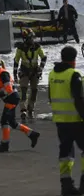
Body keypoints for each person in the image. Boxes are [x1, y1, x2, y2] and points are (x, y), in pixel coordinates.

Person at [48, 46, 84, 196]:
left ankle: (66, 185)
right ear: (74, 60)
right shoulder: (73, 75)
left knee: (66, 153)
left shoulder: (52, 74)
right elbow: (79, 99)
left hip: (61, 121)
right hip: (76, 120)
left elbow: (51, 97)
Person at [0, 56, 40, 152]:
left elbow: (8, 89)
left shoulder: (3, 73)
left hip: (12, 98)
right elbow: (0, 87)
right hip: (9, 99)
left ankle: (5, 144)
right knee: (12, 122)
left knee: (4, 121)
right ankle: (32, 134)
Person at [13, 28, 47, 121]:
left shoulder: (37, 46)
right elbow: (16, 61)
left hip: (35, 71)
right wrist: (15, 74)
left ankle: (31, 109)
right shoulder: (20, 48)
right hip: (24, 71)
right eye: (30, 38)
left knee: (34, 91)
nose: (32, 39)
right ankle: (23, 110)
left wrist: (41, 69)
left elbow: (44, 58)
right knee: (23, 90)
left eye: (32, 38)